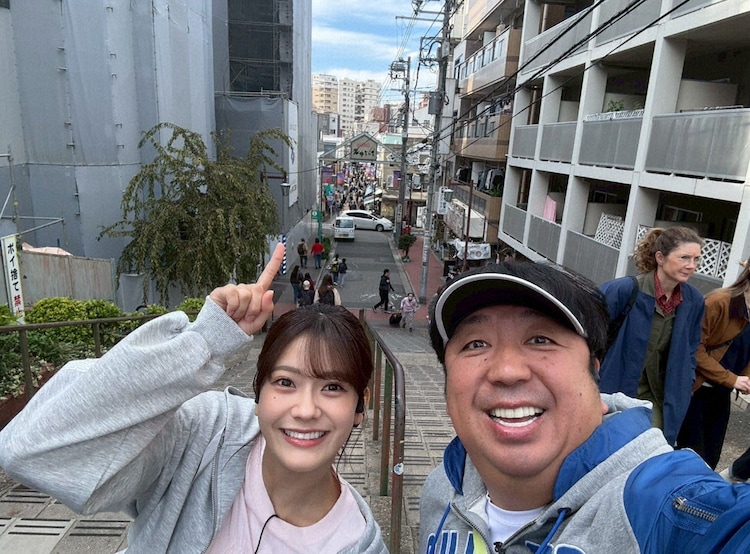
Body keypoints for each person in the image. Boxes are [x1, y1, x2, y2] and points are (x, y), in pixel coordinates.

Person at [0, 244, 387, 554]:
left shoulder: (358, 543)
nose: (305, 410)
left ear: (360, 406)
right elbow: (29, 448)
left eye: (333, 388)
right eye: (285, 382)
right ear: (259, 393)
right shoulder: (204, 437)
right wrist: (202, 342)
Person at [419, 261, 750, 554]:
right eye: (475, 344)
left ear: (594, 373)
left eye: (540, 340)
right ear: (448, 391)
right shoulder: (441, 489)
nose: (507, 371)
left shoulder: (663, 507)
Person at [598, 226, 705, 445]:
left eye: (696, 259)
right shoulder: (624, 290)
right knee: (604, 447)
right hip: (612, 390)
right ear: (660, 258)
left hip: (658, 396)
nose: (691, 266)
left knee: (653, 448)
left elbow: (691, 349)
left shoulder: (693, 301)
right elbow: (585, 336)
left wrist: (686, 382)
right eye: (684, 257)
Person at [677, 259, 750, 469]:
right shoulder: (719, 302)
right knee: (689, 458)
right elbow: (694, 348)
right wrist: (732, 379)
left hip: (721, 394)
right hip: (696, 390)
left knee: (711, 459)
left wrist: (744, 379)